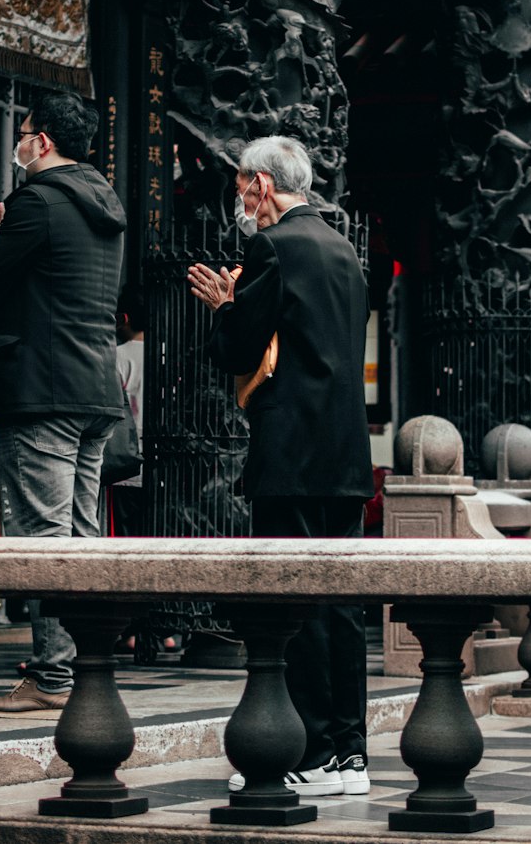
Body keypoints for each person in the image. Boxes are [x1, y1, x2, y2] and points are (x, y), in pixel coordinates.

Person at [187, 135, 374, 797]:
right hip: (346, 453)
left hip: (291, 450)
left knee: (294, 602)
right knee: (341, 604)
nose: (239, 199)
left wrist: (223, 308)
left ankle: (311, 753)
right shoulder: (342, 248)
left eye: (242, 185)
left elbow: (239, 349)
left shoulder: (273, 247)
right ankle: (349, 754)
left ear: (263, 185)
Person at [0, 89, 126, 717]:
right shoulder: (102, 203)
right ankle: (83, 667)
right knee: (80, 538)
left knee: (43, 537)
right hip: (94, 391)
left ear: (43, 141)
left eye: (24, 133)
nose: (19, 144)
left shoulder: (37, 201)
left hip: (41, 390)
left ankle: (54, 675)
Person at [111, 284, 145, 536]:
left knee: (122, 535)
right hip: (157, 459)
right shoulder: (164, 354)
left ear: (124, 318)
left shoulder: (117, 356)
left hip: (123, 458)